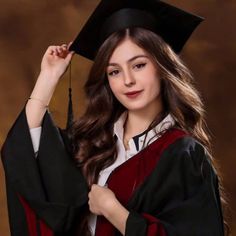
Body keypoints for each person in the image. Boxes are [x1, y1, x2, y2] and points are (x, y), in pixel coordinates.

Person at [1, 0, 227, 235]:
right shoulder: (92, 142)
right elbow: (25, 155)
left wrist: (113, 210)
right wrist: (48, 77)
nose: (127, 80)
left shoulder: (184, 156)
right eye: (114, 71)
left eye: (138, 65)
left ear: (162, 67)